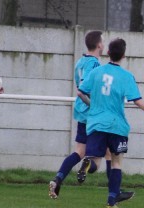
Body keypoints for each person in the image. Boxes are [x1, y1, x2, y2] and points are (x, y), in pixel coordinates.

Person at [78, 38, 144, 208]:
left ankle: (87, 163)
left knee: (96, 161)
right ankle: (111, 201)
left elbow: (81, 92)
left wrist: (93, 106)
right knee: (116, 162)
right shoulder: (127, 76)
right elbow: (138, 102)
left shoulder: (96, 72)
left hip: (96, 123)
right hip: (117, 125)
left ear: (108, 53)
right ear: (123, 55)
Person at [48, 31, 111, 198]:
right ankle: (114, 192)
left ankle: (57, 179)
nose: (103, 46)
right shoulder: (95, 65)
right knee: (108, 153)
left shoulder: (80, 62)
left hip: (81, 112)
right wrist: (97, 105)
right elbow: (83, 88)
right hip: (92, 113)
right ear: (99, 45)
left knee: (79, 151)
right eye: (103, 43)